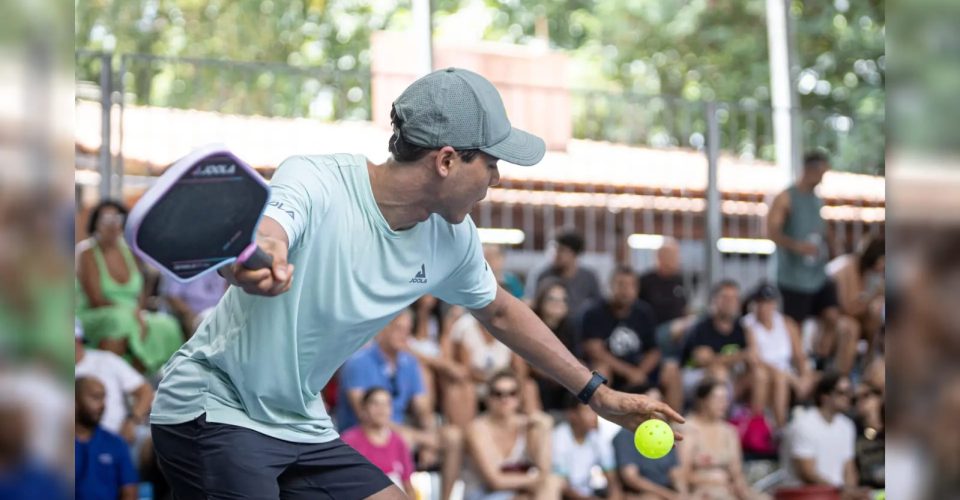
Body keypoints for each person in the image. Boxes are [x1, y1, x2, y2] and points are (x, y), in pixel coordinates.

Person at [149, 67, 683, 499]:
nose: (496, 179)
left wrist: (599, 394)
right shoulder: (318, 179)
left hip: (298, 421)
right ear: (447, 160)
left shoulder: (452, 238)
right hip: (215, 407)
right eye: (491, 163)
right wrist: (262, 258)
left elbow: (499, 311)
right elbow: (273, 227)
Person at [337, 308, 463, 500]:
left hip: (404, 429)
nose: (404, 334)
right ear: (382, 329)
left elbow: (423, 410)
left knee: (452, 437)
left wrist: (427, 437)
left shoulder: (410, 362)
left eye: (407, 329)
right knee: (402, 438)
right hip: (366, 431)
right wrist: (419, 437)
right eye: (398, 328)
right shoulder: (358, 362)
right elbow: (366, 414)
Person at [767, 151, 859, 375]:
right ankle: (799, 368)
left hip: (816, 273)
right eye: (821, 172)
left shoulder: (816, 198)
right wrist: (796, 246)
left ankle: (820, 358)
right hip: (793, 277)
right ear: (811, 169)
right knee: (795, 327)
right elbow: (771, 231)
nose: (823, 177)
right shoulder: (786, 197)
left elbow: (821, 225)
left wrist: (833, 243)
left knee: (832, 315)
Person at [75, 200, 183, 374]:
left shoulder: (131, 252)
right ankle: (107, 379)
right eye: (107, 219)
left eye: (117, 218)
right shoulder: (86, 253)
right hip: (97, 313)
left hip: (132, 313)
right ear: (96, 223)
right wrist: (131, 313)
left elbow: (140, 294)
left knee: (167, 325)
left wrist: (138, 311)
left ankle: (151, 380)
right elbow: (96, 299)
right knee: (121, 321)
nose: (112, 224)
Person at [462, 371, 561, 500]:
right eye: (498, 394)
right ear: (488, 398)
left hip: (517, 491)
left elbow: (544, 467)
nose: (505, 399)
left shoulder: (527, 425)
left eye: (511, 393)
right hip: (483, 494)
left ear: (519, 398)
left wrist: (545, 428)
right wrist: (537, 479)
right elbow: (495, 482)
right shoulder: (477, 428)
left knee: (551, 483)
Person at [675, 379, 768, 500]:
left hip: (727, 489)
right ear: (703, 401)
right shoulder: (687, 429)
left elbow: (737, 473)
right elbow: (681, 474)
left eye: (726, 399)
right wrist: (711, 480)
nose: (723, 404)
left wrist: (742, 491)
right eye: (718, 399)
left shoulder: (729, 431)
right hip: (700, 492)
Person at [781, 372, 867, 498]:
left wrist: (850, 492)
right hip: (806, 495)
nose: (848, 397)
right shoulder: (803, 424)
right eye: (841, 393)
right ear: (824, 396)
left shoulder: (847, 426)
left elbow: (849, 468)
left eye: (849, 392)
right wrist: (841, 491)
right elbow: (806, 473)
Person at [742, 284, 815, 429]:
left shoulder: (787, 323)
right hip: (761, 372)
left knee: (812, 378)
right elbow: (757, 359)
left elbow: (800, 356)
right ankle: (776, 425)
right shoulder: (748, 325)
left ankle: (787, 425)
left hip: (786, 371)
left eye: (768, 303)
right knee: (773, 378)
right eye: (761, 303)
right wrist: (792, 378)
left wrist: (805, 375)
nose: (765, 307)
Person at [582, 266, 660, 392]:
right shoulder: (594, 312)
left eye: (631, 286)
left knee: (670, 370)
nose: (626, 290)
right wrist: (629, 372)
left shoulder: (645, 312)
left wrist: (639, 372)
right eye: (621, 285)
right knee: (600, 372)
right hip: (610, 370)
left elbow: (654, 351)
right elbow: (595, 350)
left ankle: (673, 411)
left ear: (637, 289)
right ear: (610, 286)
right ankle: (592, 410)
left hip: (638, 369)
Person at [75, 322, 154, 441]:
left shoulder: (106, 360)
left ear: (78, 340)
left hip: (121, 434)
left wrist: (132, 421)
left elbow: (145, 391)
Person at [673, 280, 752, 400]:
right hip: (694, 374)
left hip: (729, 376)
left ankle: (754, 417)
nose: (729, 303)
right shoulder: (702, 327)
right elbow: (703, 360)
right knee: (719, 372)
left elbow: (752, 357)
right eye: (725, 298)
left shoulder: (741, 328)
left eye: (734, 298)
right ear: (714, 300)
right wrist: (740, 356)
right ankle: (718, 418)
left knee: (759, 375)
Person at [341, 388, 418, 498]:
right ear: (363, 409)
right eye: (375, 403)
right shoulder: (348, 441)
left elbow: (408, 485)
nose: (381, 409)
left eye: (386, 404)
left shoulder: (399, 442)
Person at [75, 376, 139, 500]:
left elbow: (130, 492)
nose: (102, 405)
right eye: (95, 397)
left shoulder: (116, 444)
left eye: (103, 398)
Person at [613, 384, 680, 500]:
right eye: (654, 403)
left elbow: (675, 472)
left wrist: (683, 494)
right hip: (639, 494)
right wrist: (669, 495)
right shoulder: (625, 435)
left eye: (661, 401)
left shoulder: (665, 432)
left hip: (667, 491)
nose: (660, 408)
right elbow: (631, 478)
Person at [552, 393, 622, 500]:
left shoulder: (598, 436)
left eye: (595, 411)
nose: (594, 416)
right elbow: (563, 486)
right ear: (572, 415)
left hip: (590, 494)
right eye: (588, 411)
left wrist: (615, 496)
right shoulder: (559, 437)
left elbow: (612, 477)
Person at [828, 236, 885, 357]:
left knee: (875, 321)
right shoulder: (846, 267)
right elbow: (847, 308)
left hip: (852, 313)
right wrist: (873, 296)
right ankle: (842, 374)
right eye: (883, 261)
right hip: (832, 316)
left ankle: (870, 367)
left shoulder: (869, 273)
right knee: (851, 327)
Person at [531, 278, 581, 411]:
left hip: (565, 380)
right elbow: (529, 361)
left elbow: (577, 358)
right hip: (539, 380)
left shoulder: (571, 327)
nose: (558, 304)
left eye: (563, 299)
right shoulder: (531, 324)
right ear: (541, 300)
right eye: (552, 299)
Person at [536, 231, 603, 317]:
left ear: (574, 254)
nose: (556, 254)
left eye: (561, 250)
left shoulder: (589, 277)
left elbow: (597, 305)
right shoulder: (545, 275)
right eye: (556, 250)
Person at [158, 270, 228, 336]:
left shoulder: (220, 262)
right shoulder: (182, 263)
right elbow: (172, 297)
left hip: (218, 312)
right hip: (192, 315)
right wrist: (190, 315)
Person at [638, 238, 688, 326]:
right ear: (660, 257)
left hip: (678, 330)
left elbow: (684, 308)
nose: (678, 259)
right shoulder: (645, 281)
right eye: (673, 255)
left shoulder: (679, 280)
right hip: (654, 329)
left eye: (678, 255)